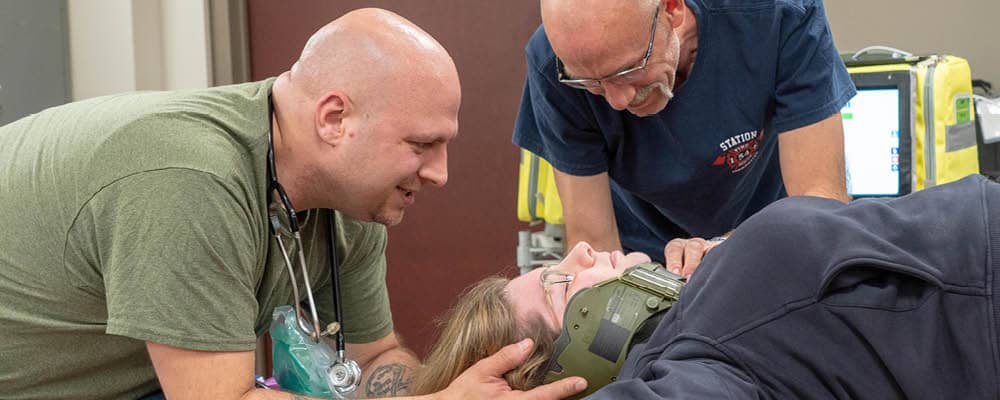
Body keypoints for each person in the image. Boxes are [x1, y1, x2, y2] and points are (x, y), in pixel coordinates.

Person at [0, 8, 584, 400]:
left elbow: (375, 356)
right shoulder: (190, 179)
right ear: (334, 119)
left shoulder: (351, 204)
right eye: (421, 145)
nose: (440, 174)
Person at [413, 175, 1000, 399]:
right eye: (558, 285)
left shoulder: (695, 314)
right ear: (579, 366)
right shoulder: (692, 369)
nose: (581, 248)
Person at [512, 0, 856, 278]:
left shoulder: (778, 14)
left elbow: (820, 207)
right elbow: (597, 250)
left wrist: (728, 249)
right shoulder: (553, 65)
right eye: (592, 84)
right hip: (641, 257)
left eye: (627, 70)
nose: (617, 100)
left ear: (672, 9)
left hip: (775, 238)